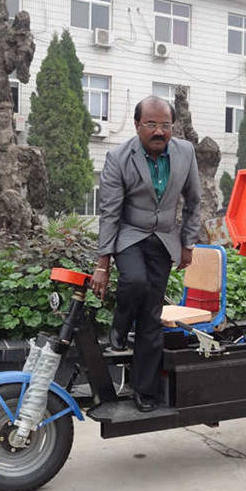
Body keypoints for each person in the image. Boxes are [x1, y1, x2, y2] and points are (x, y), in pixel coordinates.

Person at [90, 95, 201, 412]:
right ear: (138, 125)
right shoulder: (118, 157)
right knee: (135, 282)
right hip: (130, 235)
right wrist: (103, 263)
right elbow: (110, 212)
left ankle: (145, 391)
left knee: (152, 318)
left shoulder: (185, 153)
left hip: (165, 239)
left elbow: (194, 201)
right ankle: (119, 325)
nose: (159, 131)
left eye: (165, 125)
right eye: (151, 124)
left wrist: (188, 244)